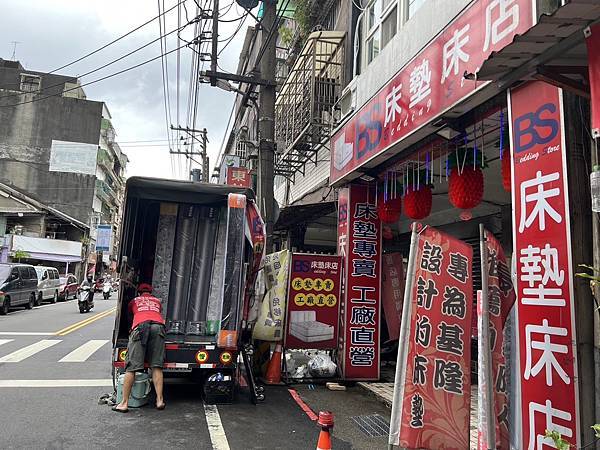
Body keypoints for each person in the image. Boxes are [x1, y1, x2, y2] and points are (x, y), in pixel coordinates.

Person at [113, 283, 166, 413]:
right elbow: (157, 313)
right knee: (156, 366)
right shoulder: (157, 301)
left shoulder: (134, 301)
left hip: (140, 327)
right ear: (151, 293)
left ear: (139, 292)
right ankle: (159, 400)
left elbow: (129, 317)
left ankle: (124, 403)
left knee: (132, 367)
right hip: (158, 327)